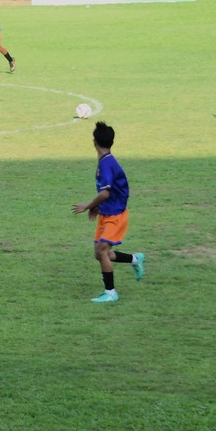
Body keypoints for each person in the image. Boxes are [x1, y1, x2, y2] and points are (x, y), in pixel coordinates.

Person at [72, 120, 143, 304]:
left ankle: (111, 292)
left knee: (102, 251)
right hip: (107, 212)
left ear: (94, 142)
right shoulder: (105, 161)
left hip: (116, 215)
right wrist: (98, 208)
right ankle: (135, 259)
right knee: (100, 253)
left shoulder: (106, 164)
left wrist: (88, 205)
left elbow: (105, 192)